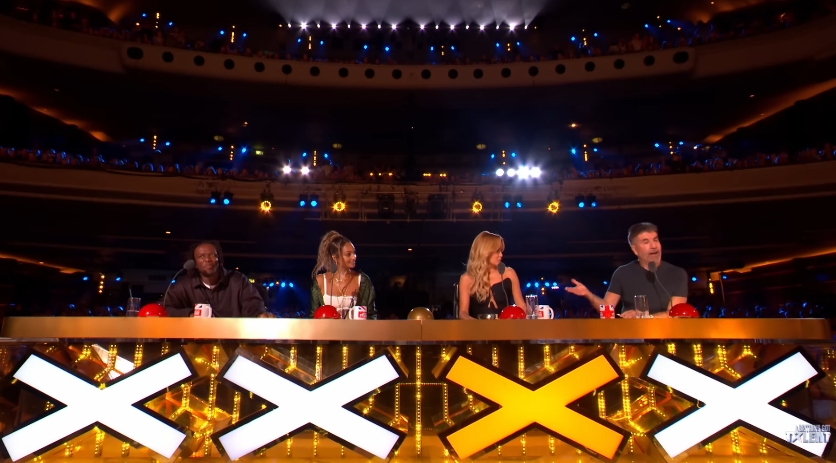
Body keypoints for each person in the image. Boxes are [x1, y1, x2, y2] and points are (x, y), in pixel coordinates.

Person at [565, 222, 688, 318]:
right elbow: (607, 308)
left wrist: (643, 317)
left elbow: (675, 313)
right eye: (646, 242)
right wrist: (588, 294)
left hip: (668, 339)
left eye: (655, 240)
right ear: (634, 249)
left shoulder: (677, 274)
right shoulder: (622, 273)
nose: (653, 246)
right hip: (633, 340)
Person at [165, 241, 273, 318]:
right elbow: (166, 308)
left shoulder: (238, 280)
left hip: (234, 343)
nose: (207, 259)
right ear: (195, 264)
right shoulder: (184, 285)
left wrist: (259, 314)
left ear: (219, 259)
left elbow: (252, 303)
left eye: (212, 255)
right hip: (196, 343)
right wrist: (189, 314)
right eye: (201, 256)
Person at [458, 231, 525, 319]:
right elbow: (463, 313)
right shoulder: (466, 279)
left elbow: (521, 307)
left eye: (501, 251)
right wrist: (475, 324)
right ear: (485, 252)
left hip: (506, 329)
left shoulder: (509, 273)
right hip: (477, 329)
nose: (501, 255)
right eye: (497, 251)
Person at [310, 231, 377, 319]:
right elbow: (313, 316)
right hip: (328, 332)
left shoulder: (363, 280)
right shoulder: (320, 281)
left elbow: (371, 315)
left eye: (354, 253)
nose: (354, 257)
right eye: (348, 254)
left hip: (357, 332)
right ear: (335, 258)